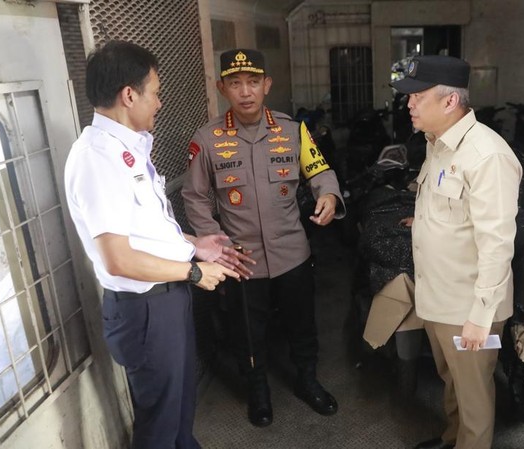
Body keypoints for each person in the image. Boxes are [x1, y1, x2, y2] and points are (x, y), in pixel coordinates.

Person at [64, 41, 252, 449]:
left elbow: (144, 231)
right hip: (145, 308)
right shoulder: (97, 158)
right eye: (156, 92)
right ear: (128, 95)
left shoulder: (128, 148)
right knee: (159, 423)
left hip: (165, 299)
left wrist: (194, 244)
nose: (160, 102)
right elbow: (117, 258)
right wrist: (194, 271)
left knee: (178, 407)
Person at [181, 49, 344, 428]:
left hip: (292, 254)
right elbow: (194, 197)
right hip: (242, 260)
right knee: (247, 333)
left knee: (302, 323)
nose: (245, 92)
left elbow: (320, 171)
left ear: (266, 85)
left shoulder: (292, 131)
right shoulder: (206, 140)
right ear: (223, 89)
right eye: (235, 84)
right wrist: (214, 245)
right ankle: (258, 392)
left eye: (253, 82)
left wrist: (329, 195)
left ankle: (307, 380)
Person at [391, 55, 522, 449]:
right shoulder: (439, 143)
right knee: (452, 380)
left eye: (417, 95)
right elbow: (455, 209)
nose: (409, 103)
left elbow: (497, 243)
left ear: (450, 102)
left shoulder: (487, 155)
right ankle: (453, 438)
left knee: (474, 395)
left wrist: (481, 317)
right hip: (439, 298)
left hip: (469, 307)